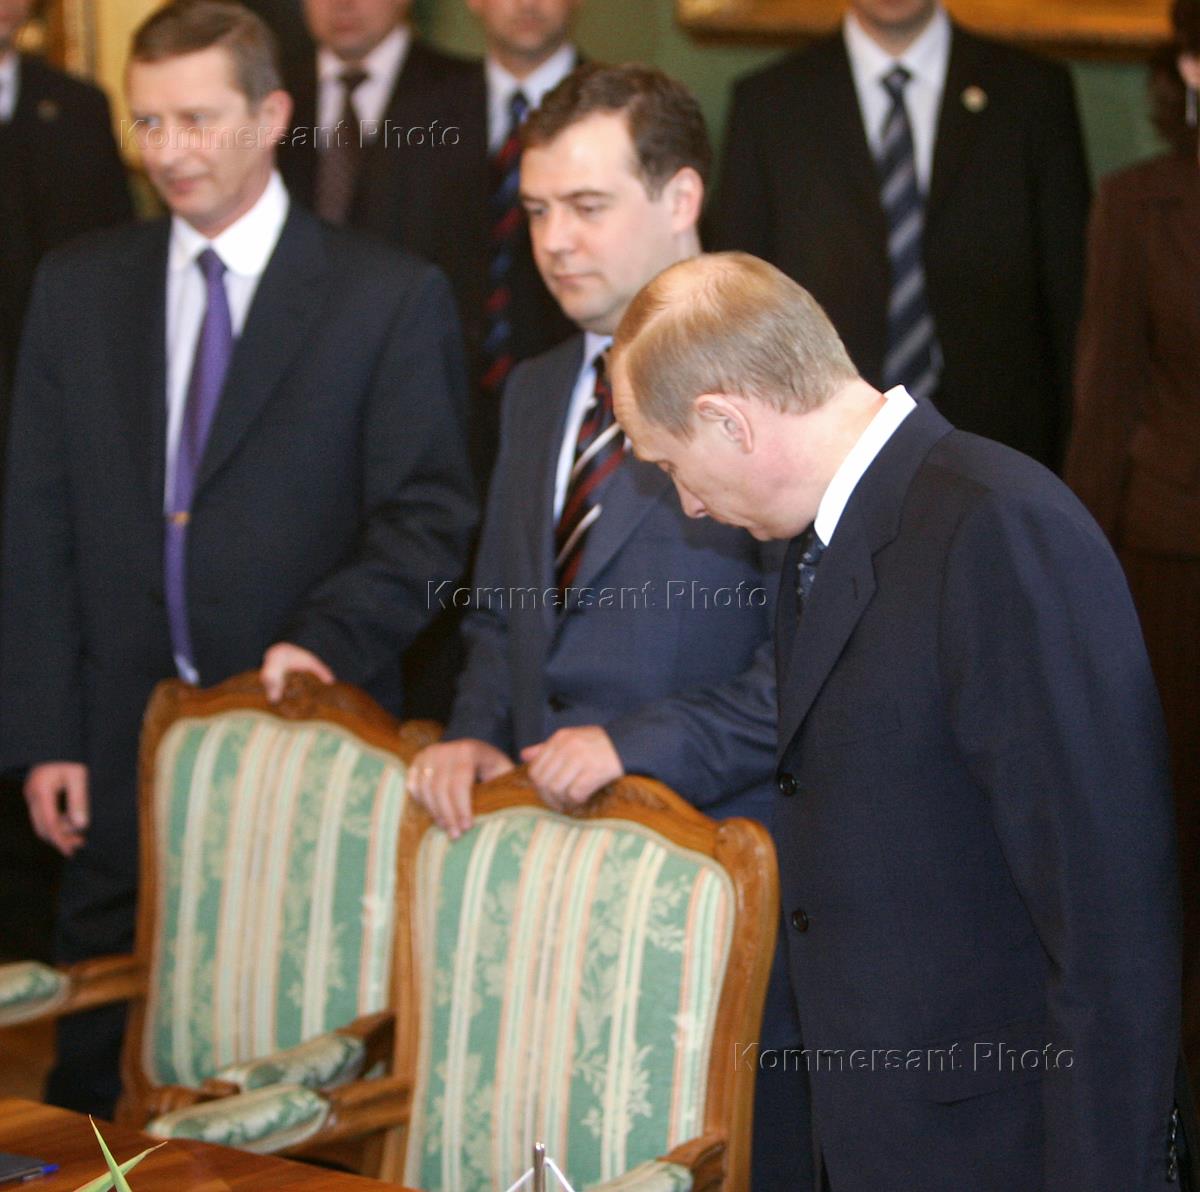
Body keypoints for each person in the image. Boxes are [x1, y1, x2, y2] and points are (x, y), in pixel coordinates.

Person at [611, 251, 1183, 1191]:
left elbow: (1109, 918)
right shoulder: (820, 545)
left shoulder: (999, 526)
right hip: (881, 1140)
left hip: (1006, 1149)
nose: (690, 504)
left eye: (672, 465)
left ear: (728, 419)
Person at [0, 0, 475, 1117]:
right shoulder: (80, 285)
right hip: (116, 748)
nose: (169, 150)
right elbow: (39, 521)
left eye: (198, 120)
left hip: (304, 743)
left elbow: (429, 518)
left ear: (272, 116)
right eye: (148, 122)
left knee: (285, 1077)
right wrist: (45, 732)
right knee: (97, 1072)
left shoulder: (385, 296)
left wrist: (324, 639)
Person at [405, 65, 809, 1191]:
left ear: (681, 198)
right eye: (537, 210)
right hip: (552, 866)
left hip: (721, 867)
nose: (554, 242)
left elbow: (816, 668)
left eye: (587, 207)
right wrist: (473, 729)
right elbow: (505, 611)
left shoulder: (776, 389)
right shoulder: (538, 387)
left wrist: (637, 745)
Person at [712, 0, 1089, 471]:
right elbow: (740, 298)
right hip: (818, 444)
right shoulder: (770, 101)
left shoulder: (1033, 93)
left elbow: (1073, 294)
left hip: (1000, 447)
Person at [1064, 0, 1200, 1095]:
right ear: (1190, 66)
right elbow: (1103, 415)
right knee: (1176, 863)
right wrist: (1078, 609)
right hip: (1174, 584)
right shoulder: (1137, 203)